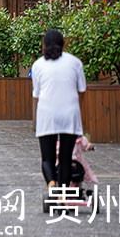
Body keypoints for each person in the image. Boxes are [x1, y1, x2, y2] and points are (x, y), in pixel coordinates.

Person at [32, 29, 86, 195]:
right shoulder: (75, 62)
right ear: (64, 44)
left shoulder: (38, 65)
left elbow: (37, 94)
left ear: (44, 45)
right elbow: (82, 91)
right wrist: (78, 109)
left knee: (47, 158)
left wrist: (36, 119)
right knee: (65, 157)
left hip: (47, 114)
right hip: (70, 114)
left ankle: (51, 185)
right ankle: (63, 191)